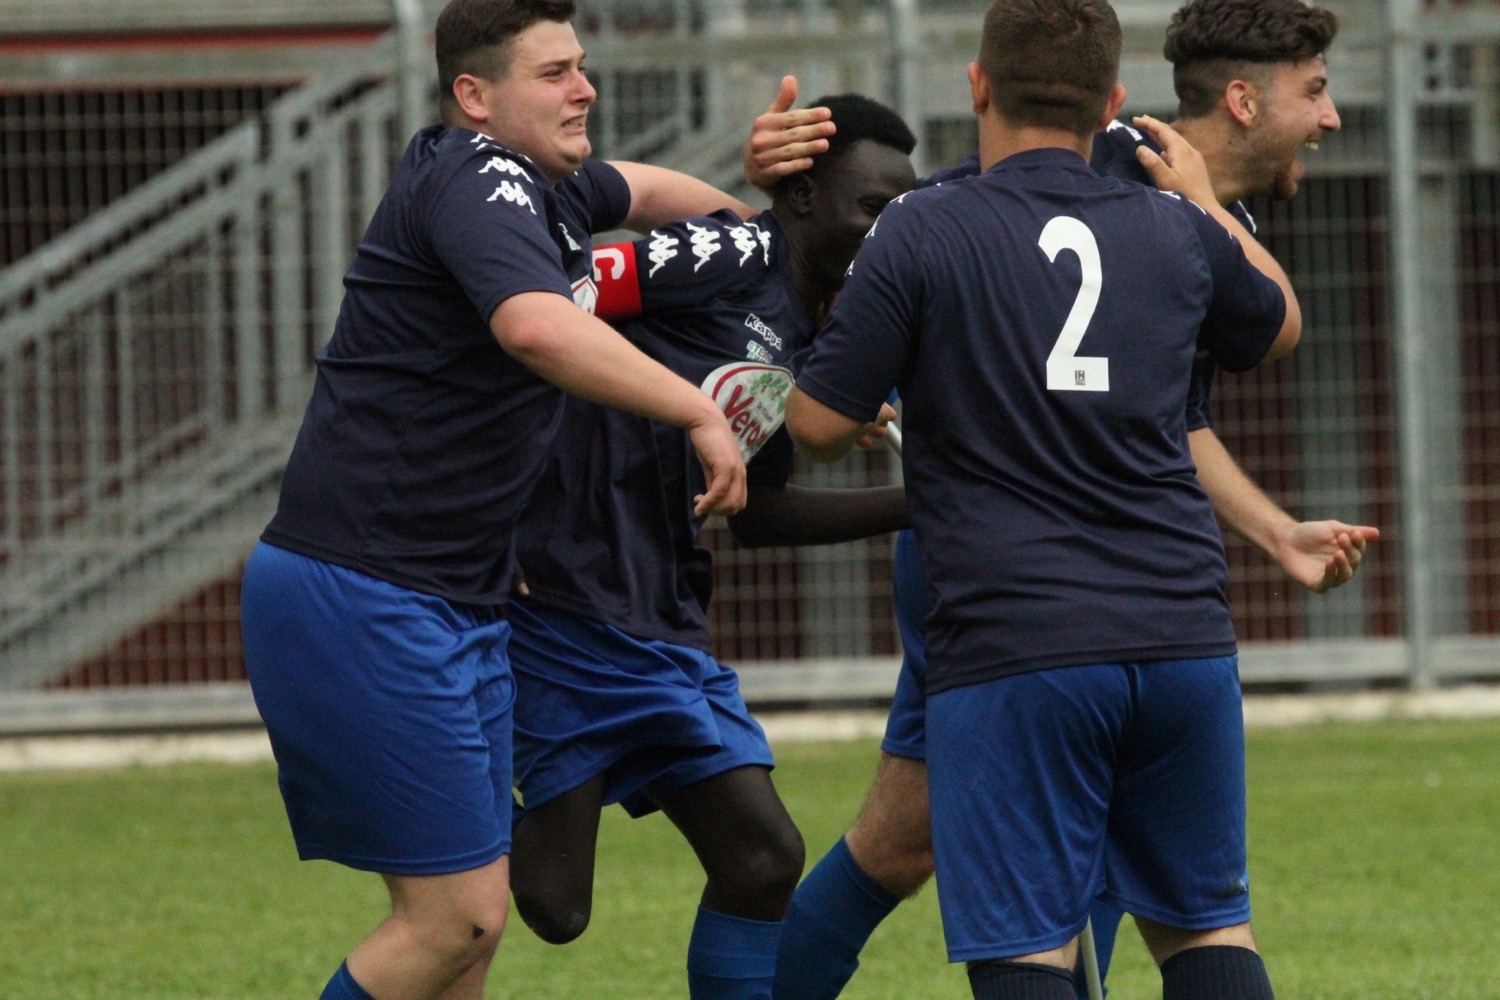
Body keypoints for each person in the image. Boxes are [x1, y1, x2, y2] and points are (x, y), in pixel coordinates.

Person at [758, 2, 1377, 996]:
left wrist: (1273, 531)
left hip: (1024, 615)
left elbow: (1169, 416)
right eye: (1316, 92)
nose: (1331, 116)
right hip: (1127, 606)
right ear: (1123, 100)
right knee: (1185, 912)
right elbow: (1273, 331)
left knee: (953, 875)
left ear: (978, 86)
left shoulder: (1135, 215)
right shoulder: (1167, 216)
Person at [236, 1, 775, 998]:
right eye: (555, 73)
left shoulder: (551, 189)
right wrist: (696, 409)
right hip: (368, 587)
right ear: (475, 96)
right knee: (457, 919)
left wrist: (753, 230)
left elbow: (652, 189)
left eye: (582, 66)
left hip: (452, 596)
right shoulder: (477, 174)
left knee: (470, 935)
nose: (586, 89)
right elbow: (536, 327)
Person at [502, 94, 917, 1000]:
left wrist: (922, 503)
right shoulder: (728, 254)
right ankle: (423, 793)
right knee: (554, 906)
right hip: (565, 594)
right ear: (801, 197)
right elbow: (545, 309)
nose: (886, 231)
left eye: (902, 212)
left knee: (764, 858)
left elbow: (759, 514)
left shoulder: (809, 335)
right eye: (870, 207)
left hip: (660, 612)